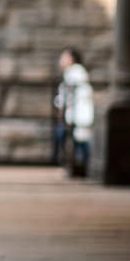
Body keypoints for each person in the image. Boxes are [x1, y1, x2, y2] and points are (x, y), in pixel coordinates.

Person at [54, 46, 94, 177]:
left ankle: (80, 168)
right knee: (77, 141)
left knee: (79, 140)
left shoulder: (75, 72)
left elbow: (70, 95)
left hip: (78, 114)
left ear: (71, 59)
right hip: (76, 114)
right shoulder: (75, 72)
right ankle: (78, 167)